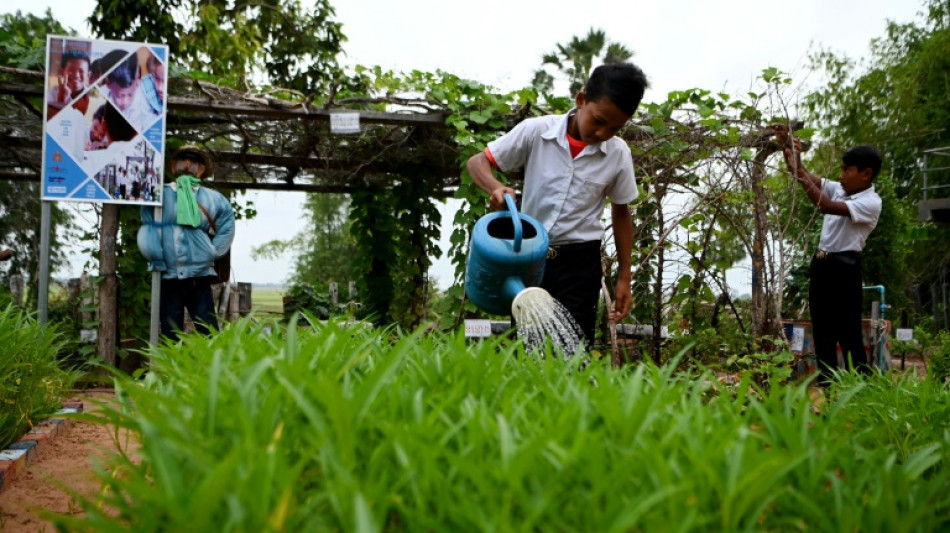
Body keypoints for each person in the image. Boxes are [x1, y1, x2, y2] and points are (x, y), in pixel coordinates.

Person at [466, 62, 648, 348]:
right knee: (528, 346)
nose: (603, 133)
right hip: (529, 257)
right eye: (598, 120)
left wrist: (625, 277)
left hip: (580, 264)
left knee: (574, 350)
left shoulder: (618, 154)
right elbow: (478, 162)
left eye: (614, 128)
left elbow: (621, 212)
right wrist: (495, 187)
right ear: (581, 100)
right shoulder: (536, 131)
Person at [773, 124, 883, 383]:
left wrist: (799, 170)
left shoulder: (871, 202)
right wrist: (790, 152)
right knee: (823, 333)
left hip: (844, 269)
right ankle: (829, 390)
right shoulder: (841, 189)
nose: (841, 175)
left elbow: (824, 205)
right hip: (822, 264)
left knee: (848, 334)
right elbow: (804, 175)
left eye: (847, 170)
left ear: (866, 174)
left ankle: (860, 390)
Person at [138, 145, 235, 341]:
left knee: (209, 333)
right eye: (183, 159)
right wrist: (154, 253)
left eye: (193, 161)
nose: (188, 164)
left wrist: (212, 251)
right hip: (168, 275)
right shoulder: (159, 194)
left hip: (199, 276)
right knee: (170, 334)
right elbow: (148, 224)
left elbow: (227, 226)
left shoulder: (214, 198)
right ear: (174, 165)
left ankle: (211, 363)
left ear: (201, 169)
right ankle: (171, 363)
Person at [47, 48, 91, 119]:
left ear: (88, 75)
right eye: (71, 70)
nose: (76, 75)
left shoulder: (92, 97)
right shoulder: (50, 94)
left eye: (81, 71)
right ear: (62, 72)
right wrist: (60, 100)